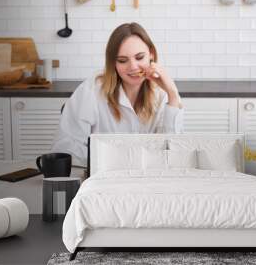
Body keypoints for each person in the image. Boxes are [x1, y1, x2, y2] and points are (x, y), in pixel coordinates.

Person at [51, 22, 184, 167]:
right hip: (101, 179)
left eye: (139, 57)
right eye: (122, 60)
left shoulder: (161, 94)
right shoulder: (91, 90)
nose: (133, 66)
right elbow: (67, 149)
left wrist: (173, 94)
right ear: (113, 63)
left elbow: (171, 154)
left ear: (151, 54)